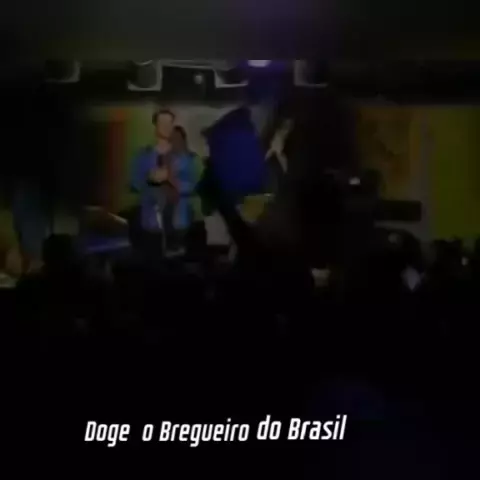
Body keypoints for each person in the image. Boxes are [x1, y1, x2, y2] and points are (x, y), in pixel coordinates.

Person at [130, 109, 196, 261]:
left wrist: (172, 180)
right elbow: (135, 184)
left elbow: (192, 186)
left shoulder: (185, 157)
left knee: (178, 267)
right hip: (151, 223)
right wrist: (149, 178)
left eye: (169, 123)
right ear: (155, 126)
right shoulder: (143, 156)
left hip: (179, 224)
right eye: (162, 122)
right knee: (152, 266)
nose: (166, 126)